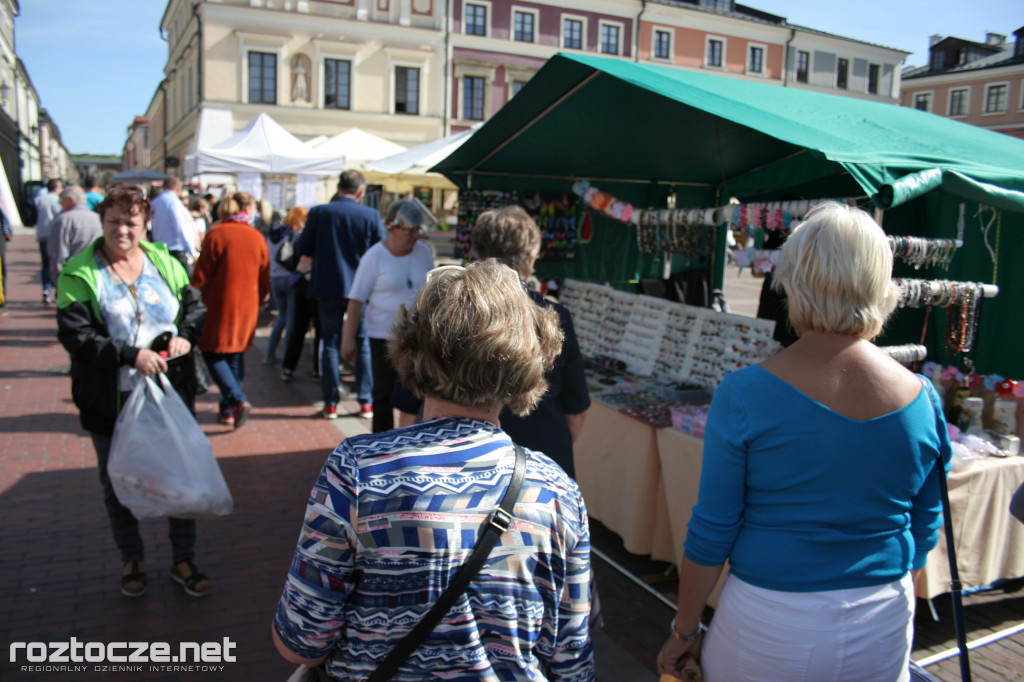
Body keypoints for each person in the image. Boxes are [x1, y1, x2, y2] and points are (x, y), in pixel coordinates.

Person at [657, 202, 952, 682]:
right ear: (881, 284)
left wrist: (684, 631)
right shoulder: (922, 399)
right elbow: (925, 524)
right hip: (882, 615)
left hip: (772, 618)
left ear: (793, 280)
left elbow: (713, 530)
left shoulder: (746, 393)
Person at [272, 260, 594, 680]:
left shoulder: (357, 469)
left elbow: (300, 639)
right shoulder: (557, 491)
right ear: (526, 359)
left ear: (414, 349)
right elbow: (571, 664)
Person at [55, 185, 210, 598]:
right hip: (111, 398)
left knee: (179, 477)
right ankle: (133, 557)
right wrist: (129, 354)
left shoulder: (164, 261)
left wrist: (186, 337)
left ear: (145, 225)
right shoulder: (80, 271)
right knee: (117, 481)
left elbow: (194, 308)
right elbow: (76, 336)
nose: (122, 230)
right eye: (114, 221)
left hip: (168, 392)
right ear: (102, 222)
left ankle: (183, 558)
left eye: (131, 222)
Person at [395, 206, 590, 478]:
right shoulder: (554, 316)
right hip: (540, 459)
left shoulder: (446, 307)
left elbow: (408, 400)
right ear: (531, 259)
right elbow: (576, 412)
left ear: (477, 252)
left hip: (454, 463)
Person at [293, 170, 384, 419]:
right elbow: (381, 249)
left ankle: (330, 402)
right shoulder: (370, 215)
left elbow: (303, 246)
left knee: (330, 343)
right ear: (360, 192)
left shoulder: (320, 213)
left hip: (328, 286)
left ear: (339, 187)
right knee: (363, 341)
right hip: (361, 287)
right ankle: (366, 401)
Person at [340, 199, 434, 429]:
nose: (414, 236)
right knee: (382, 395)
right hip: (383, 336)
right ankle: (381, 445)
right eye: (409, 231)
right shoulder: (374, 257)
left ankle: (408, 440)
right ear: (392, 227)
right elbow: (355, 301)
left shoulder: (423, 252)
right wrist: (348, 340)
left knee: (414, 394)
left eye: (417, 231)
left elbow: (433, 291)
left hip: (416, 336)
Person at [190, 191, 270, 428]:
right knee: (234, 356)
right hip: (247, 305)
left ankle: (236, 400)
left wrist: (191, 299)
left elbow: (200, 277)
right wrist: (258, 300)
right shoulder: (256, 237)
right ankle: (228, 409)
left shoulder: (216, 234)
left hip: (218, 305)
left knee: (212, 353)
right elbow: (264, 279)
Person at [278, 207, 322, 382]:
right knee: (313, 328)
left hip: (302, 284)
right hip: (310, 284)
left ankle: (289, 367)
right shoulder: (311, 236)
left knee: (300, 327)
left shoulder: (301, 234)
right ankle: (315, 369)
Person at [47, 185, 103, 285]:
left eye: (62, 199)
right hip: (96, 274)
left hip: (72, 276)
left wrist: (58, 279)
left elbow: (58, 254)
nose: (60, 202)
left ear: (70, 200)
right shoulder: (98, 219)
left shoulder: (63, 220)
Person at [263, 209, 297, 365]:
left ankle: (269, 352)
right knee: (290, 320)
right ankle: (287, 359)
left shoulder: (270, 235)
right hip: (289, 278)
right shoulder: (290, 234)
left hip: (275, 279)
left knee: (282, 317)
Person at [150, 176, 200, 274]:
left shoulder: (155, 202)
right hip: (175, 250)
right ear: (178, 189)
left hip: (159, 250)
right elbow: (181, 228)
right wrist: (192, 251)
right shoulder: (174, 203)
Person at [34, 178, 63, 304]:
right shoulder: (58, 200)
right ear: (57, 188)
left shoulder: (39, 199)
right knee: (58, 263)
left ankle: (46, 290)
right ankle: (57, 291)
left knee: (45, 264)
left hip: (42, 234)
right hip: (55, 235)